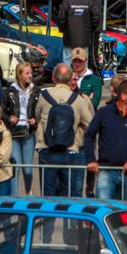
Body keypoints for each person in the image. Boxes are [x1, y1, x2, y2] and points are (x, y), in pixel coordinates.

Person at [83, 79, 127, 201]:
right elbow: (89, 135)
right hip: (106, 171)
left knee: (124, 212)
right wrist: (91, 160)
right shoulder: (104, 112)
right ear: (123, 96)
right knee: (104, 209)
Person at [35, 64, 94, 199]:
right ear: (69, 79)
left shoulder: (44, 95)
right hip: (70, 149)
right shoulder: (78, 99)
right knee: (71, 197)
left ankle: (48, 220)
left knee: (48, 196)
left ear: (53, 78)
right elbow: (90, 124)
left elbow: (37, 115)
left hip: (46, 148)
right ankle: (70, 220)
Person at [3, 62, 39, 194]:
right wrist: (9, 118)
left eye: (31, 73)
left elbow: (40, 110)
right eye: (27, 73)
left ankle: (28, 193)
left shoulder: (36, 91)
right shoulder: (9, 91)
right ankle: (15, 198)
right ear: (19, 75)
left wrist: (35, 119)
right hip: (14, 133)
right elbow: (1, 112)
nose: (30, 76)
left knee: (28, 169)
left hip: (28, 132)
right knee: (16, 167)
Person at [57, 0, 99, 65]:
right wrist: (90, 29)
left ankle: (67, 77)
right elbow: (96, 17)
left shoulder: (67, 1)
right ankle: (82, 77)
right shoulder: (89, 2)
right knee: (83, 60)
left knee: (68, 60)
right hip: (84, 38)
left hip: (69, 37)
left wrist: (62, 29)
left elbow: (61, 18)